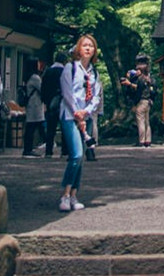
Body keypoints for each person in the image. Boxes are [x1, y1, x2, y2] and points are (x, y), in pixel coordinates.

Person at [58, 34, 102, 212]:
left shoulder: (94, 72)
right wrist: (77, 112)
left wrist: (86, 112)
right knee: (75, 154)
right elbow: (66, 91)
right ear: (78, 49)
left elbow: (96, 97)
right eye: (84, 45)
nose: (88, 48)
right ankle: (65, 194)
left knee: (81, 158)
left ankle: (74, 194)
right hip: (70, 115)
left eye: (91, 46)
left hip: (86, 116)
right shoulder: (70, 68)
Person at [123, 54, 156, 147]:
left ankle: (142, 140)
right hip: (148, 100)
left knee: (140, 121)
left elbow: (138, 89)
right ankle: (148, 140)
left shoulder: (141, 77)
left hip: (141, 100)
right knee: (146, 121)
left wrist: (129, 83)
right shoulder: (149, 76)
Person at [41, 54, 65, 158]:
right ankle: (64, 151)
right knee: (64, 127)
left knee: (51, 128)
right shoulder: (64, 72)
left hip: (50, 103)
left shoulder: (48, 71)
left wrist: (45, 102)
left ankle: (48, 151)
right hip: (63, 103)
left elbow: (43, 88)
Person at [21, 60, 46, 157]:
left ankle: (29, 148)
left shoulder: (28, 77)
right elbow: (42, 89)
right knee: (34, 127)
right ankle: (29, 148)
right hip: (35, 105)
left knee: (31, 127)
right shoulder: (35, 78)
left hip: (31, 105)